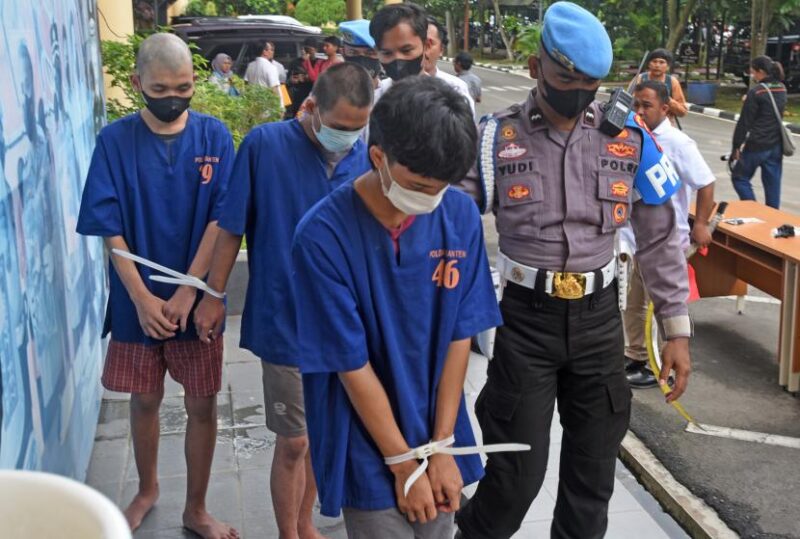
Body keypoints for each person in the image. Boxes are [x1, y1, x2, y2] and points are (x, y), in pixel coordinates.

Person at [454, 3, 692, 538]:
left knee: (591, 480)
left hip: (599, 323)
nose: (579, 92)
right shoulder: (494, 139)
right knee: (514, 476)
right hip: (525, 323)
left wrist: (675, 331)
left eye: (592, 82)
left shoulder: (628, 139)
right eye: (566, 78)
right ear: (537, 67)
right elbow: (450, 227)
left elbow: (659, 240)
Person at [292, 75, 502, 539]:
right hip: (367, 439)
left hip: (438, 425)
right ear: (378, 157)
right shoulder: (322, 236)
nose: (428, 200)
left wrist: (442, 446)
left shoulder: (459, 215)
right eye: (416, 184)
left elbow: (459, 335)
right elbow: (351, 365)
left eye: (441, 187)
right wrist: (402, 463)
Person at [193, 63, 373, 539]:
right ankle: (287, 533)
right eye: (339, 128)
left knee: (322, 434)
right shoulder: (265, 145)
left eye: (357, 130)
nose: (347, 138)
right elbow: (232, 227)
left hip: (344, 322)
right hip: (287, 318)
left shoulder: (363, 158)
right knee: (294, 440)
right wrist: (214, 295)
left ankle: (303, 521)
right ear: (310, 107)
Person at [75, 33, 237, 539]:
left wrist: (192, 290)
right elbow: (108, 226)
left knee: (202, 403)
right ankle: (146, 490)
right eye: (161, 87)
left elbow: (222, 219)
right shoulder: (114, 141)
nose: (173, 97)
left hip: (197, 299)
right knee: (143, 399)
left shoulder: (214, 137)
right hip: (135, 303)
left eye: (185, 86)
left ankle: (196, 507)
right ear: (136, 83)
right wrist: (142, 298)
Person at [622, 80, 716, 388]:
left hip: (668, 241)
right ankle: (636, 357)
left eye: (646, 106)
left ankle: (664, 363)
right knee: (635, 304)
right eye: (636, 104)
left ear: (665, 108)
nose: (639, 111)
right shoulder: (631, 137)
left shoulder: (677, 142)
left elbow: (705, 182)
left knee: (662, 306)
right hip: (637, 242)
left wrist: (699, 224)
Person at [731, 55, 787, 209]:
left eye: (754, 72)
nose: (753, 76)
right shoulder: (782, 88)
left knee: (739, 178)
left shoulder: (756, 92)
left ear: (761, 71)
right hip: (776, 145)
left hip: (757, 144)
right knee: (773, 184)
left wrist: (736, 147)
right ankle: (773, 216)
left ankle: (754, 210)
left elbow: (745, 122)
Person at [422, 16, 475, 113]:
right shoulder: (387, 87)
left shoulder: (456, 87)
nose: (422, 51)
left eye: (428, 44)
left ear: (441, 49)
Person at [631, 48, 687, 124]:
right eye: (654, 61)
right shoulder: (640, 79)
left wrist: (668, 100)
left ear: (668, 66)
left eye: (661, 62)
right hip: (641, 124)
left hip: (665, 128)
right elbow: (628, 101)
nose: (657, 65)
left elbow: (682, 112)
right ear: (649, 64)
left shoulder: (672, 82)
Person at [339, 18, 382, 87]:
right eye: (353, 53)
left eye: (370, 53)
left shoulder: (394, 93)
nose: (362, 60)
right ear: (342, 53)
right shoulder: (331, 93)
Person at [244, 42, 283, 106]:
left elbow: (246, 85)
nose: (272, 52)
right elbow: (274, 89)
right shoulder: (271, 67)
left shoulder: (250, 66)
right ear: (264, 51)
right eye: (271, 49)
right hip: (267, 106)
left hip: (253, 105)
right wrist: (280, 108)